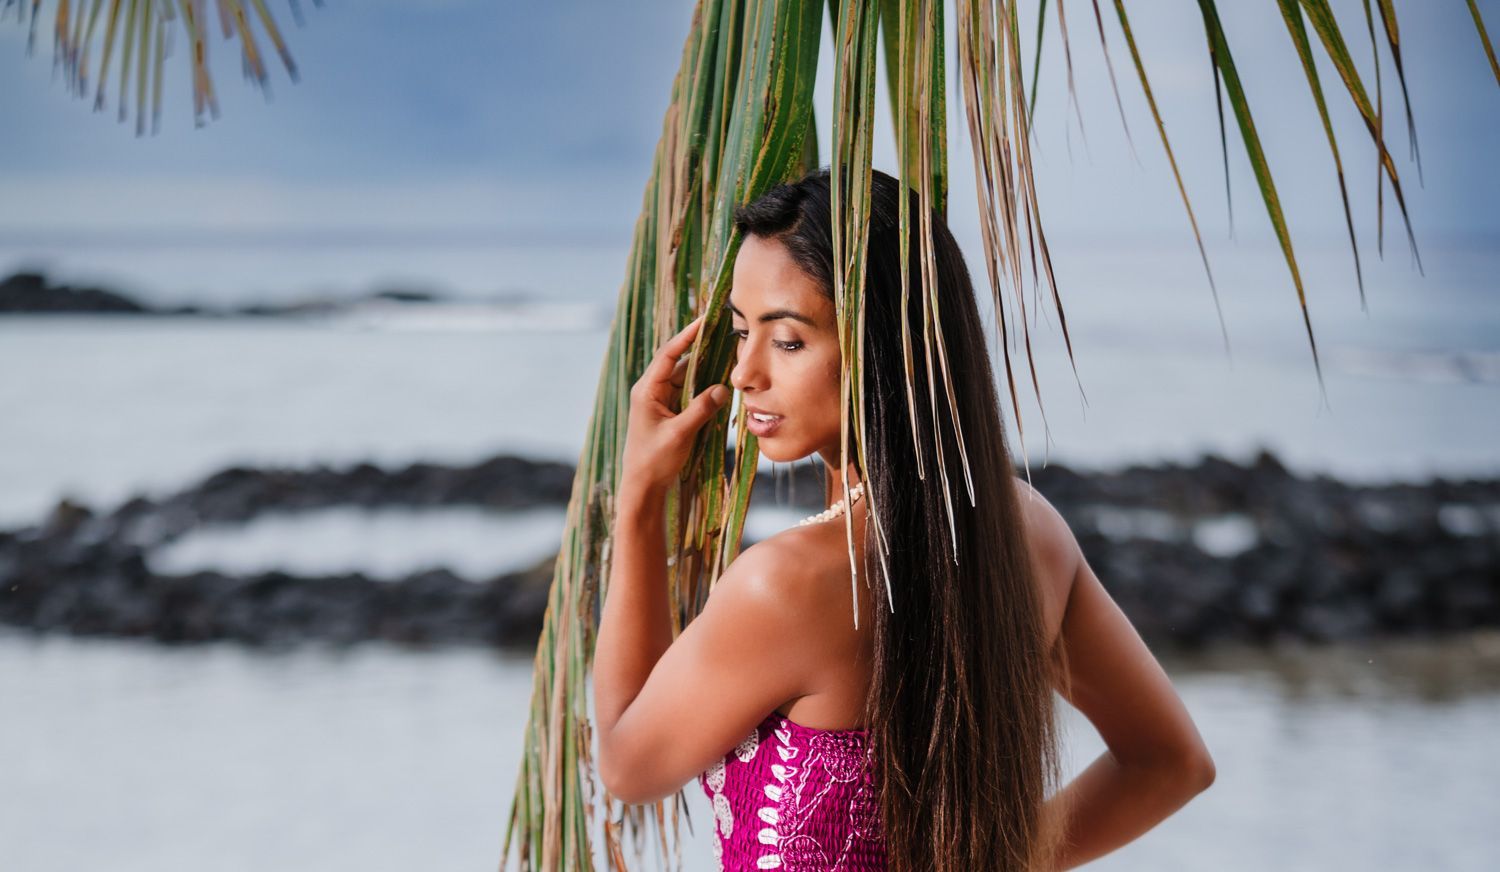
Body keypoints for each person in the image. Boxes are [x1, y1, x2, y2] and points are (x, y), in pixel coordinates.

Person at [593, 167, 1215, 872]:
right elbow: (1170, 763)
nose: (743, 373)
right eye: (741, 333)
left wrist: (642, 497)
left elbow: (624, 763)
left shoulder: (786, 584)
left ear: (886, 345)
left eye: (788, 340)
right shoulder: (1026, 530)